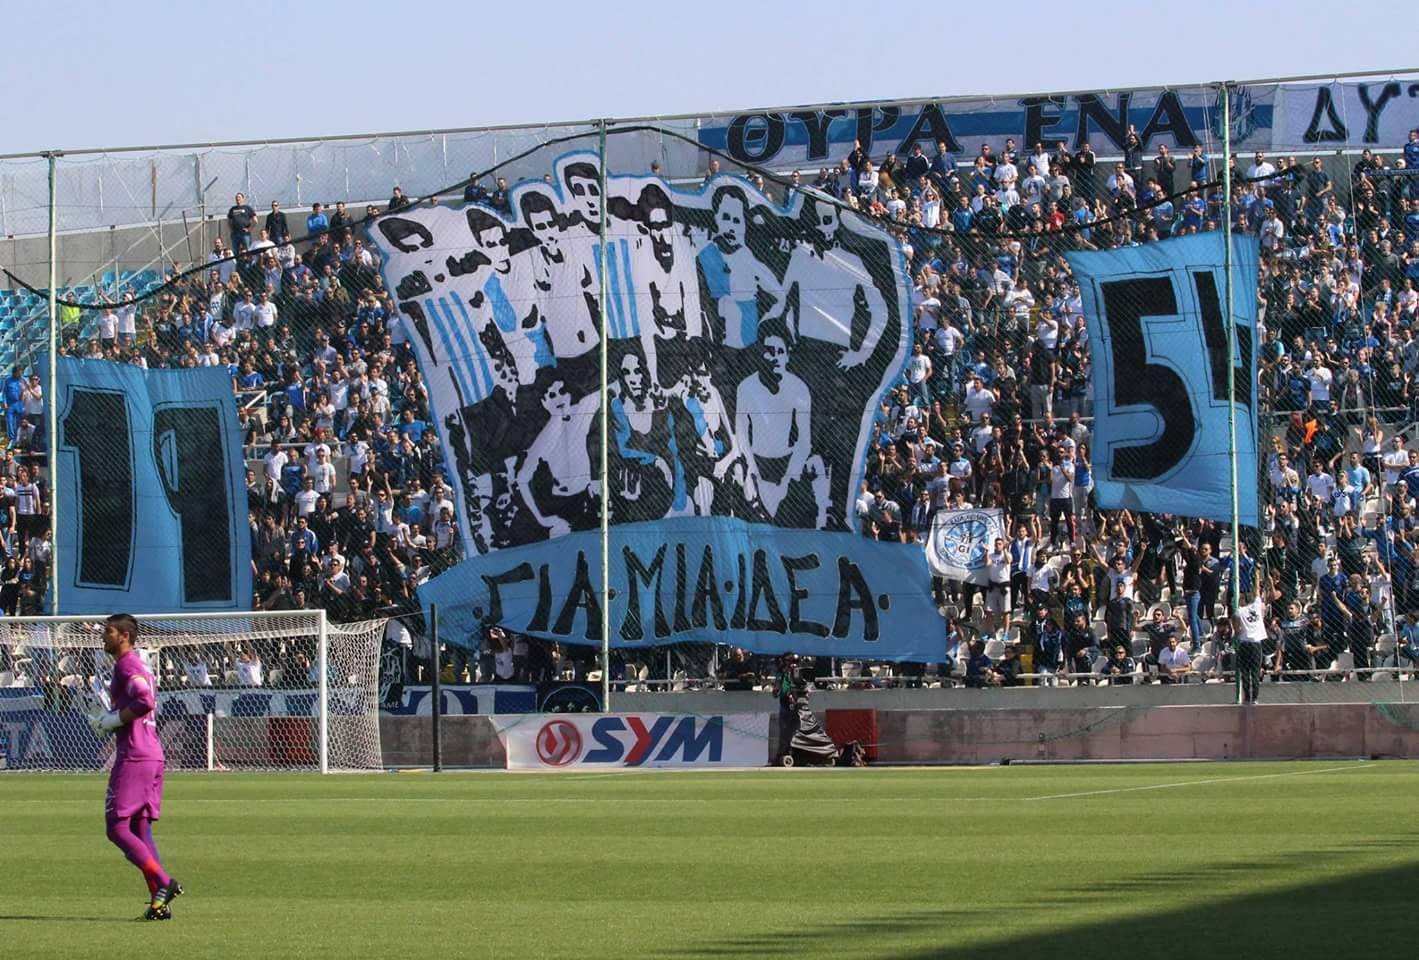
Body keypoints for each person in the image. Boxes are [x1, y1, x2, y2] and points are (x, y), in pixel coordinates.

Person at [87, 614, 183, 920]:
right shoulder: (139, 665)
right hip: (151, 753)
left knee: (117, 828)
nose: (103, 637)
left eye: (108, 631)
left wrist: (113, 720)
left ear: (125, 635)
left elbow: (144, 701)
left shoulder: (127, 665)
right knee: (140, 829)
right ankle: (159, 903)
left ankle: (165, 883)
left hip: (135, 755)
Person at [1234, 592, 1269, 704]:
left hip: (1244, 643)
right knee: (1255, 671)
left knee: (1245, 671)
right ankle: (1255, 698)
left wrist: (1238, 631)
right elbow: (1257, 590)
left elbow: (1235, 624)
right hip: (1256, 644)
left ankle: (1247, 696)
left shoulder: (1240, 611)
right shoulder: (1257, 606)